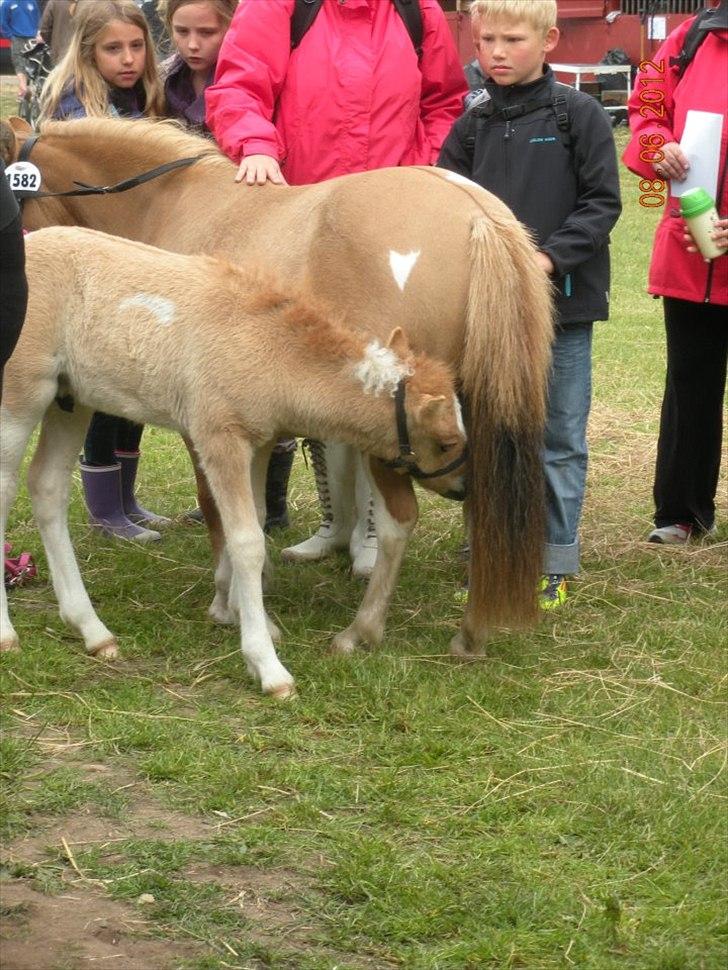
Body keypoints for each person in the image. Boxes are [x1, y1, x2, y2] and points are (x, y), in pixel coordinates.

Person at [206, 0, 468, 574]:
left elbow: (444, 101)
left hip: (390, 224)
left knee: (382, 376)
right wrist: (255, 143)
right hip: (303, 222)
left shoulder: (416, 11)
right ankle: (335, 520)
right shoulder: (279, 7)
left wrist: (417, 171)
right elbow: (239, 86)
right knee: (320, 374)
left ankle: (371, 524)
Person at [438, 0, 621, 609]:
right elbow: (447, 206)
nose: (496, 52)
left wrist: (547, 260)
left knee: (559, 438)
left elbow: (602, 202)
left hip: (562, 311)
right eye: (486, 39)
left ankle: (554, 561)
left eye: (512, 40)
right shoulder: (472, 122)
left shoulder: (579, 114)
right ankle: (492, 554)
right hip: (487, 314)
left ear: (549, 40)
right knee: (491, 435)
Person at [40, 0, 167, 542]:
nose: (128, 58)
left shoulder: (148, 99)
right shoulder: (74, 112)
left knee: (136, 383)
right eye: (113, 49)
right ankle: (105, 509)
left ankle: (128, 498)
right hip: (97, 264)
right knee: (102, 390)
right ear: (89, 52)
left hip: (140, 254)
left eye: (137, 46)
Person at [623, 0, 727, 545]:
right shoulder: (688, 38)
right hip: (691, 252)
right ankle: (682, 513)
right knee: (690, 385)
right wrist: (657, 147)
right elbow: (645, 109)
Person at [161, 0, 235, 136]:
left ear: (231, 28)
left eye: (207, 32)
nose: (193, 45)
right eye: (182, 31)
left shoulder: (243, 81)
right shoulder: (162, 78)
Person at [0, 0, 42, 100]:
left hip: (32, 39)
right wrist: (10, 36)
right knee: (19, 63)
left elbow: (38, 19)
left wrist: (38, 33)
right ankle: (24, 89)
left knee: (31, 65)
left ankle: (27, 90)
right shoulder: (7, 3)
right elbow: (3, 22)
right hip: (17, 38)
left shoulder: (32, 2)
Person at [39, 0, 80, 65]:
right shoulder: (88, 3)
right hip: (80, 53)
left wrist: (53, 43)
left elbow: (44, 29)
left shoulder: (54, 2)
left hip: (59, 52)